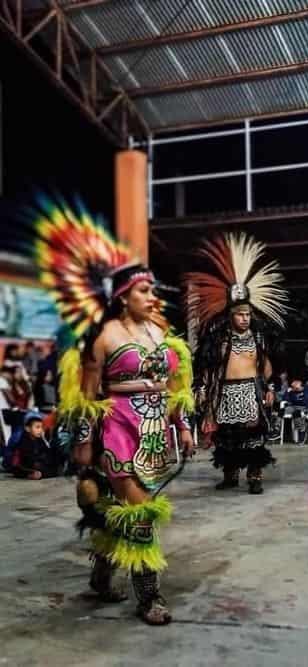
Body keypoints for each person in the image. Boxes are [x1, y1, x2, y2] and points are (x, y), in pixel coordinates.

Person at [32, 198, 195, 625]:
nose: (151, 295)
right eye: (144, 289)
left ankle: (102, 574)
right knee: (141, 514)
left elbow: (174, 388)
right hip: (119, 429)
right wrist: (85, 444)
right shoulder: (103, 338)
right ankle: (149, 597)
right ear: (123, 296)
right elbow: (88, 397)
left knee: (119, 508)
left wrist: (184, 427)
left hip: (157, 430)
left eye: (152, 289)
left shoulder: (159, 333)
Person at [186, 232, 288, 494]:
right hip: (225, 391)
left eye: (246, 314)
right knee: (227, 437)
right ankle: (230, 475)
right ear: (231, 315)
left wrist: (270, 388)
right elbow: (207, 366)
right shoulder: (217, 339)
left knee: (253, 438)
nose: (244, 318)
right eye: (239, 314)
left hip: (251, 390)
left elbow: (268, 366)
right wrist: (201, 389)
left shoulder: (260, 338)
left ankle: (255, 477)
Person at [11, 411, 58, 479]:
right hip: (24, 467)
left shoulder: (40, 440)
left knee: (53, 466)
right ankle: (32, 475)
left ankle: (39, 474)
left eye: (41, 427)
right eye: (37, 427)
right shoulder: (23, 441)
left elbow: (46, 453)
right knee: (19, 469)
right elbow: (20, 462)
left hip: (37, 466)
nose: (40, 430)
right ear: (28, 429)